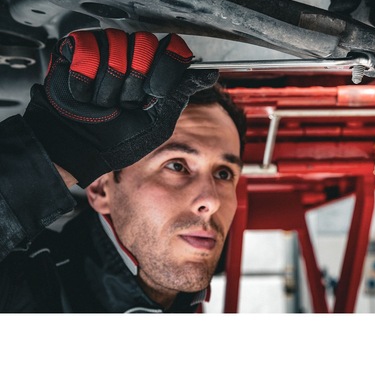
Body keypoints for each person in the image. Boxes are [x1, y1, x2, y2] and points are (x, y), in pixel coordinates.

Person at [0, 28, 246, 313]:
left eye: (224, 173)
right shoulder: (16, 289)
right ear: (101, 189)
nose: (212, 201)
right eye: (177, 166)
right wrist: (56, 151)